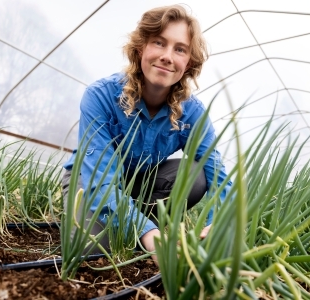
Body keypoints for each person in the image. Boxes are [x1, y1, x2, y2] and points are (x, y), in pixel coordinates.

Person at [62, 4, 232, 262]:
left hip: (142, 186)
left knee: (195, 176)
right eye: (159, 43)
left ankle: (140, 225)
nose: (167, 56)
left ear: (188, 63)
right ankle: (142, 229)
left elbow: (216, 174)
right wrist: (149, 234)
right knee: (92, 251)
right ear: (141, 47)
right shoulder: (102, 96)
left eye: (180, 49)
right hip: (90, 182)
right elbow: (101, 182)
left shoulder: (192, 113)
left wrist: (217, 222)